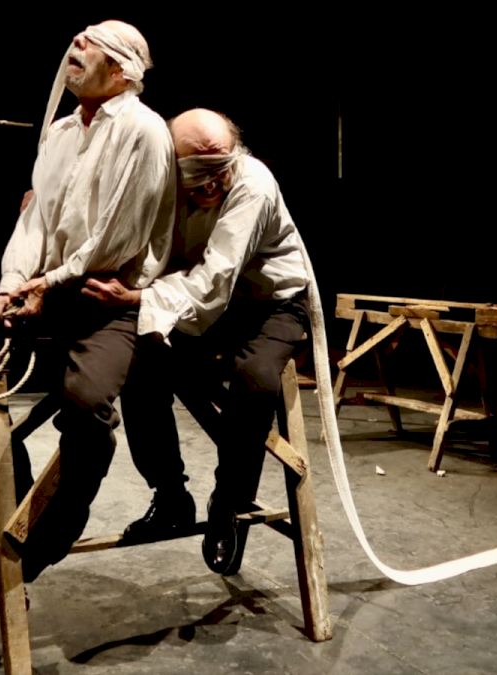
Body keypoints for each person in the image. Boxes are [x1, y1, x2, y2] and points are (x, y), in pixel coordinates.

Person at [0, 19, 176, 582]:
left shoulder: (144, 131)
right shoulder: (61, 132)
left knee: (85, 404)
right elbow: (36, 220)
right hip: (50, 289)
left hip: (108, 298)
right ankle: (10, 492)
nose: (77, 44)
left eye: (93, 42)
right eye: (78, 37)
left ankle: (52, 530)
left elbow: (116, 239)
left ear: (122, 70)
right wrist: (11, 286)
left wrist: (45, 284)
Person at [81, 108, 310, 574]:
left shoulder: (253, 185)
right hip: (197, 300)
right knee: (141, 365)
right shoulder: (160, 181)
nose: (212, 182)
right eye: (197, 171)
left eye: (220, 167)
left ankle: (230, 502)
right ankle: (170, 495)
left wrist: (138, 297)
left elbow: (216, 279)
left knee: (256, 379)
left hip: (270, 303)